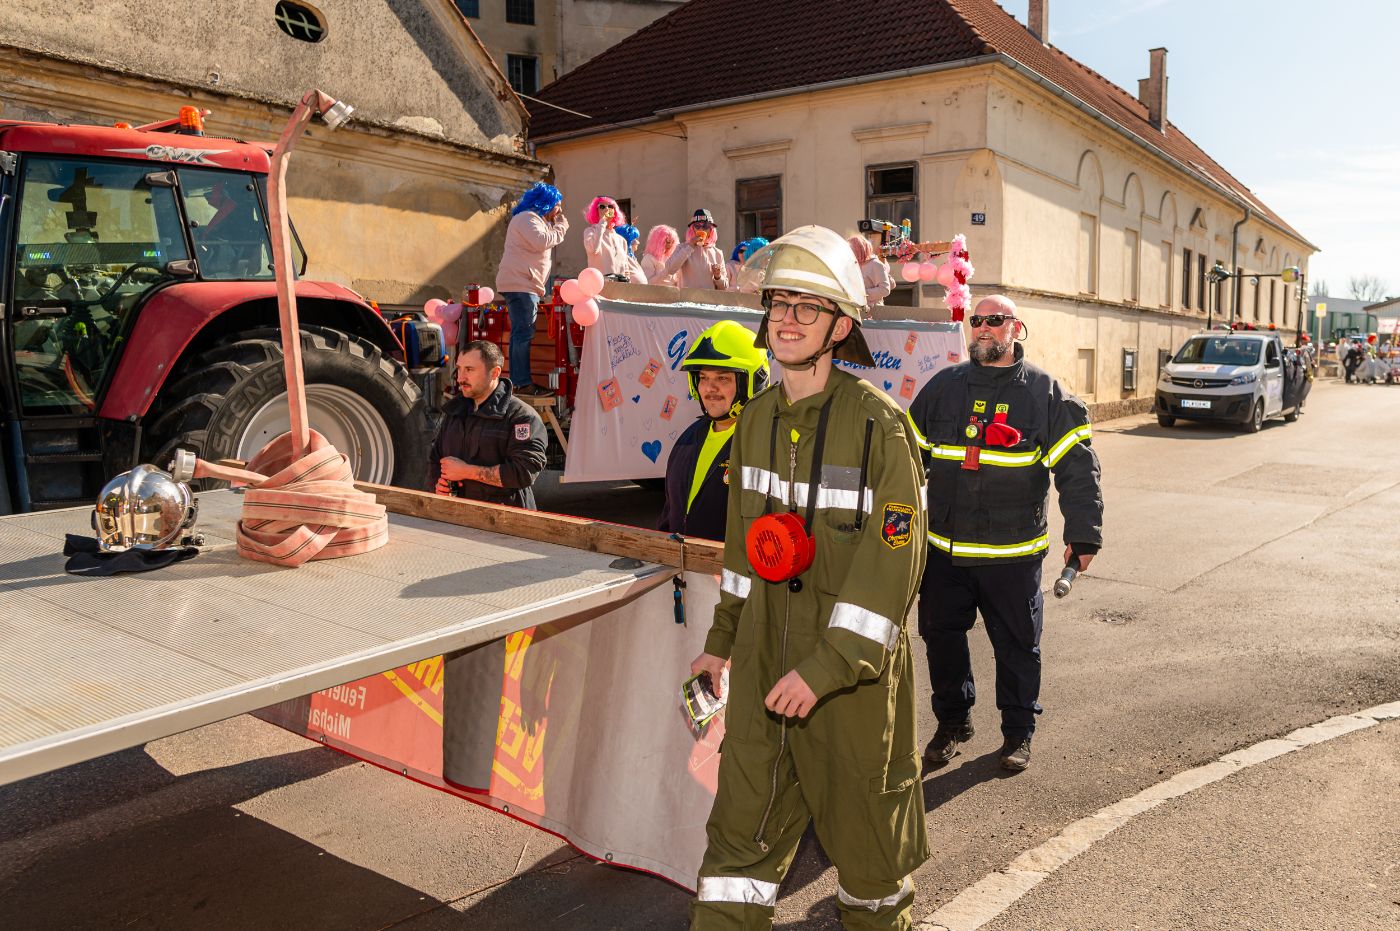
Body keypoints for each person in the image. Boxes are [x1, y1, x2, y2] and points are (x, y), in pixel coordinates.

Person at [689, 226, 928, 929]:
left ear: (840, 326)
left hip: (850, 685)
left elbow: (892, 573)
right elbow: (742, 554)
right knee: (735, 847)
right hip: (764, 664)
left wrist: (826, 667)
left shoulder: (881, 427)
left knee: (870, 863)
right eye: (779, 304)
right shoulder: (754, 421)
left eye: (808, 307)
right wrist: (720, 645)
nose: (787, 319)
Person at [908, 295, 1103, 773]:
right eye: (976, 320)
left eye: (995, 320)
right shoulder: (943, 388)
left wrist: (1084, 535)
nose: (983, 328)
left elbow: (1078, 470)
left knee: (1017, 647)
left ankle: (1018, 732)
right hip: (946, 552)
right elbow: (905, 459)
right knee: (940, 639)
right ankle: (953, 723)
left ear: (1016, 328)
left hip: (1012, 556)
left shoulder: (1044, 393)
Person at [658, 320, 769, 541]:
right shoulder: (688, 438)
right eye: (703, 378)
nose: (710, 388)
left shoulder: (766, 444)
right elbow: (670, 513)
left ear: (751, 382)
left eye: (722, 378)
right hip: (680, 561)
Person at [427, 340, 548, 509]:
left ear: (494, 372)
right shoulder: (455, 412)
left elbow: (524, 472)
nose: (460, 378)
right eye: (459, 369)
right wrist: (438, 485)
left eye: (469, 370)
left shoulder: (521, 417)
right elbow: (434, 459)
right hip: (458, 517)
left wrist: (467, 471)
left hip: (506, 520)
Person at [496, 182, 568, 397]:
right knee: (523, 333)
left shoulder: (531, 220)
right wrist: (561, 227)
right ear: (546, 203)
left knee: (521, 333)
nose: (559, 210)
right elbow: (542, 241)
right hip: (521, 284)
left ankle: (520, 382)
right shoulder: (527, 218)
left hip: (524, 284)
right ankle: (522, 383)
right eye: (557, 204)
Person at [664, 208, 728, 290]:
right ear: (692, 229)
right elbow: (670, 270)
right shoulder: (682, 248)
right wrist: (690, 246)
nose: (701, 229)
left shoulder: (717, 253)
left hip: (709, 298)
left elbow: (725, 288)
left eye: (705, 226)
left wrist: (718, 277)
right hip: (687, 297)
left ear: (711, 230)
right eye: (697, 226)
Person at [582, 195, 631, 278]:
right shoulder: (590, 231)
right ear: (596, 211)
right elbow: (593, 249)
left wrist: (627, 281)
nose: (607, 209)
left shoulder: (621, 240)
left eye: (610, 206)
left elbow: (626, 269)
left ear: (615, 212)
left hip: (619, 284)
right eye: (602, 206)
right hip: (599, 283)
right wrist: (603, 222)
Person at [848, 234, 893, 308]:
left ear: (860, 249)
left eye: (851, 250)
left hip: (873, 310)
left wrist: (862, 294)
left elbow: (885, 289)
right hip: (855, 308)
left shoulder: (875, 264)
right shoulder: (854, 265)